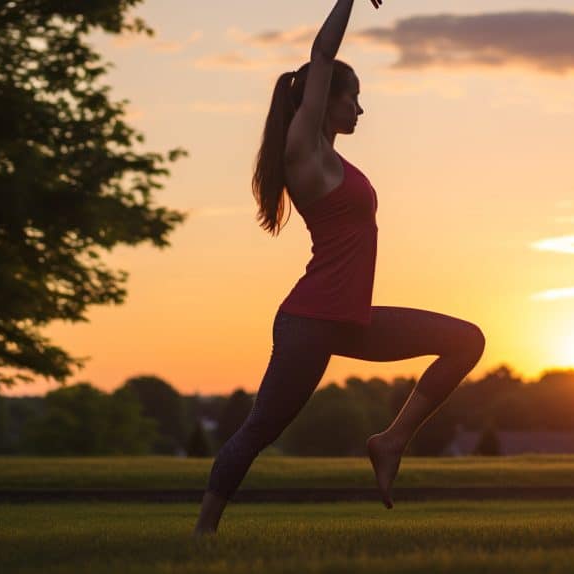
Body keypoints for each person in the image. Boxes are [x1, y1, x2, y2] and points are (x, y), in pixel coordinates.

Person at [194, 0, 484, 535]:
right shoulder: (304, 151)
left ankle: (391, 440)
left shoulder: (331, 157)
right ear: (325, 100)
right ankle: (203, 533)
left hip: (350, 318)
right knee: (260, 429)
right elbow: (322, 52)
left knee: (467, 340)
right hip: (310, 321)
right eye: (354, 99)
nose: (360, 111)